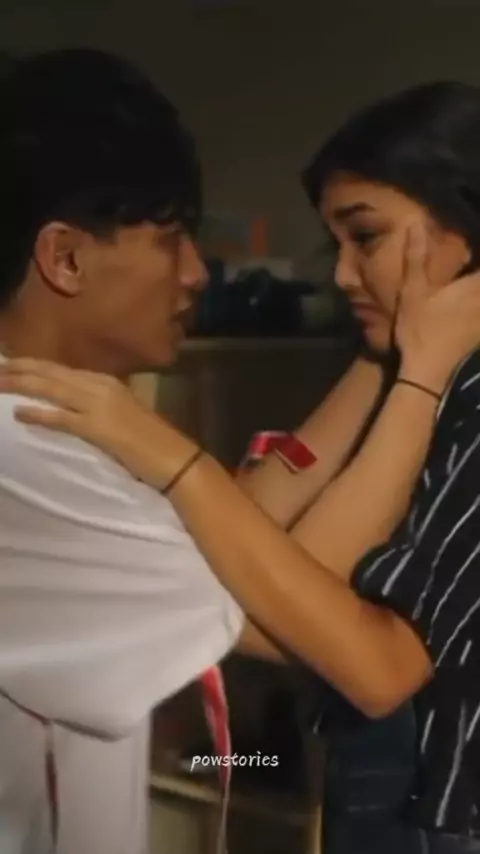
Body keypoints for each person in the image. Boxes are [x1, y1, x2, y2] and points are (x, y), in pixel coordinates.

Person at [6, 78, 480, 854]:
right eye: (172, 239)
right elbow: (302, 611)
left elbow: (249, 548)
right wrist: (411, 371)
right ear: (64, 257)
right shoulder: (30, 455)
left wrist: (389, 358)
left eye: (365, 238)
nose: (198, 272)